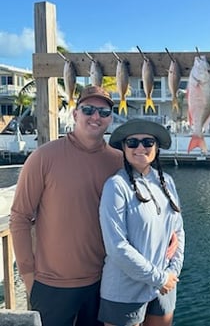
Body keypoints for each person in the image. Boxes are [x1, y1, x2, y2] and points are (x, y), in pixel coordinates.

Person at [9, 85, 178, 326]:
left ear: (111, 118)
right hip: (53, 285)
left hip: (103, 283)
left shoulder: (120, 161)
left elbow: (149, 203)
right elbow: (20, 217)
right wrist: (28, 276)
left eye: (104, 112)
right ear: (75, 114)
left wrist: (169, 234)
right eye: (88, 109)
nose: (95, 116)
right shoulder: (43, 157)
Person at [97, 119, 185, 326]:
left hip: (164, 287)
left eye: (147, 142)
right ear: (124, 149)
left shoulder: (168, 183)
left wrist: (172, 273)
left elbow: (178, 232)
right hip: (125, 291)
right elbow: (117, 247)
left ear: (156, 148)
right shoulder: (116, 186)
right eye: (132, 143)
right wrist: (159, 278)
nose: (140, 148)